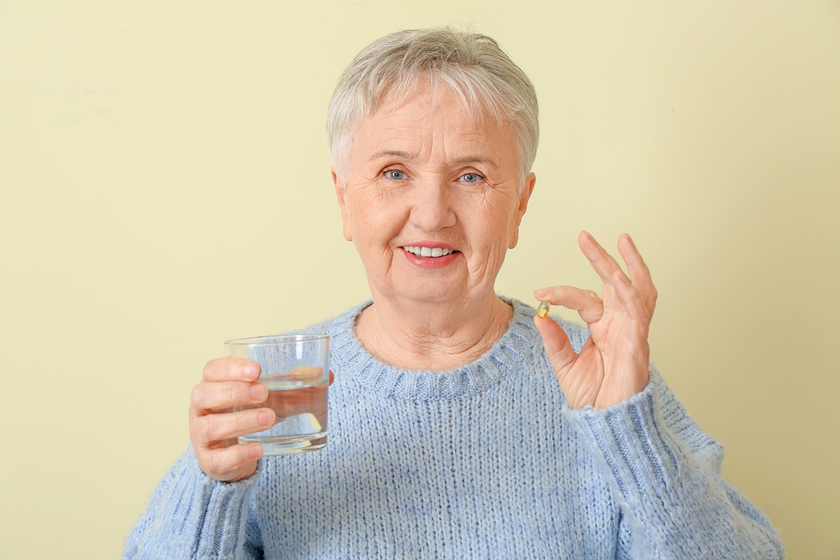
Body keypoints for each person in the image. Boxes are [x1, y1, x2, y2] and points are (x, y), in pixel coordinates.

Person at [123, 28, 784, 559]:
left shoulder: (600, 378)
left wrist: (632, 435)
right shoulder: (280, 392)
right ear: (344, 199)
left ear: (519, 206)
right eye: (394, 172)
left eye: (471, 175)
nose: (432, 212)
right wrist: (214, 488)